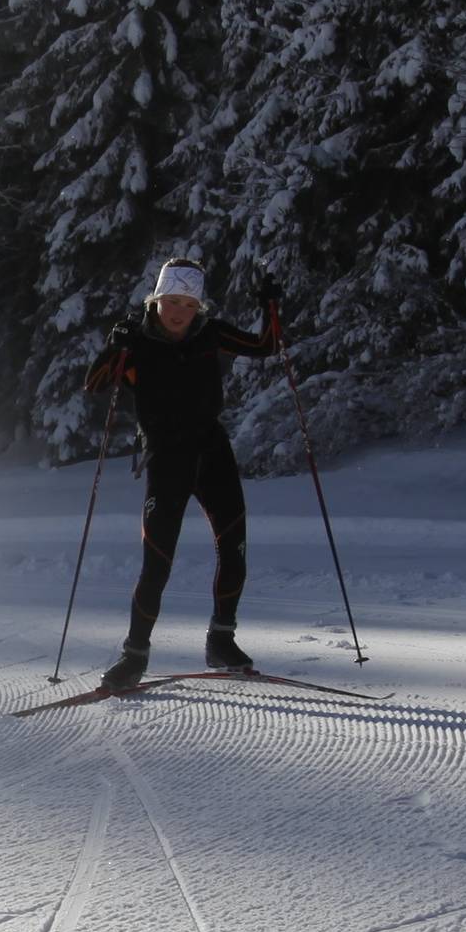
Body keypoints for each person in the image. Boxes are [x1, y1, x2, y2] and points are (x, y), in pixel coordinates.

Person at [82, 254, 280, 694]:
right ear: (156, 300)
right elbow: (95, 384)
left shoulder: (211, 334)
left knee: (234, 546)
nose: (179, 313)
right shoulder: (138, 342)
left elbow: (266, 347)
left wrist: (270, 304)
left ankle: (221, 641)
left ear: (199, 309)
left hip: (212, 453)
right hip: (167, 460)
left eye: (189, 305)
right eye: (172, 301)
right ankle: (133, 656)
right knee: (158, 562)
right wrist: (116, 345)